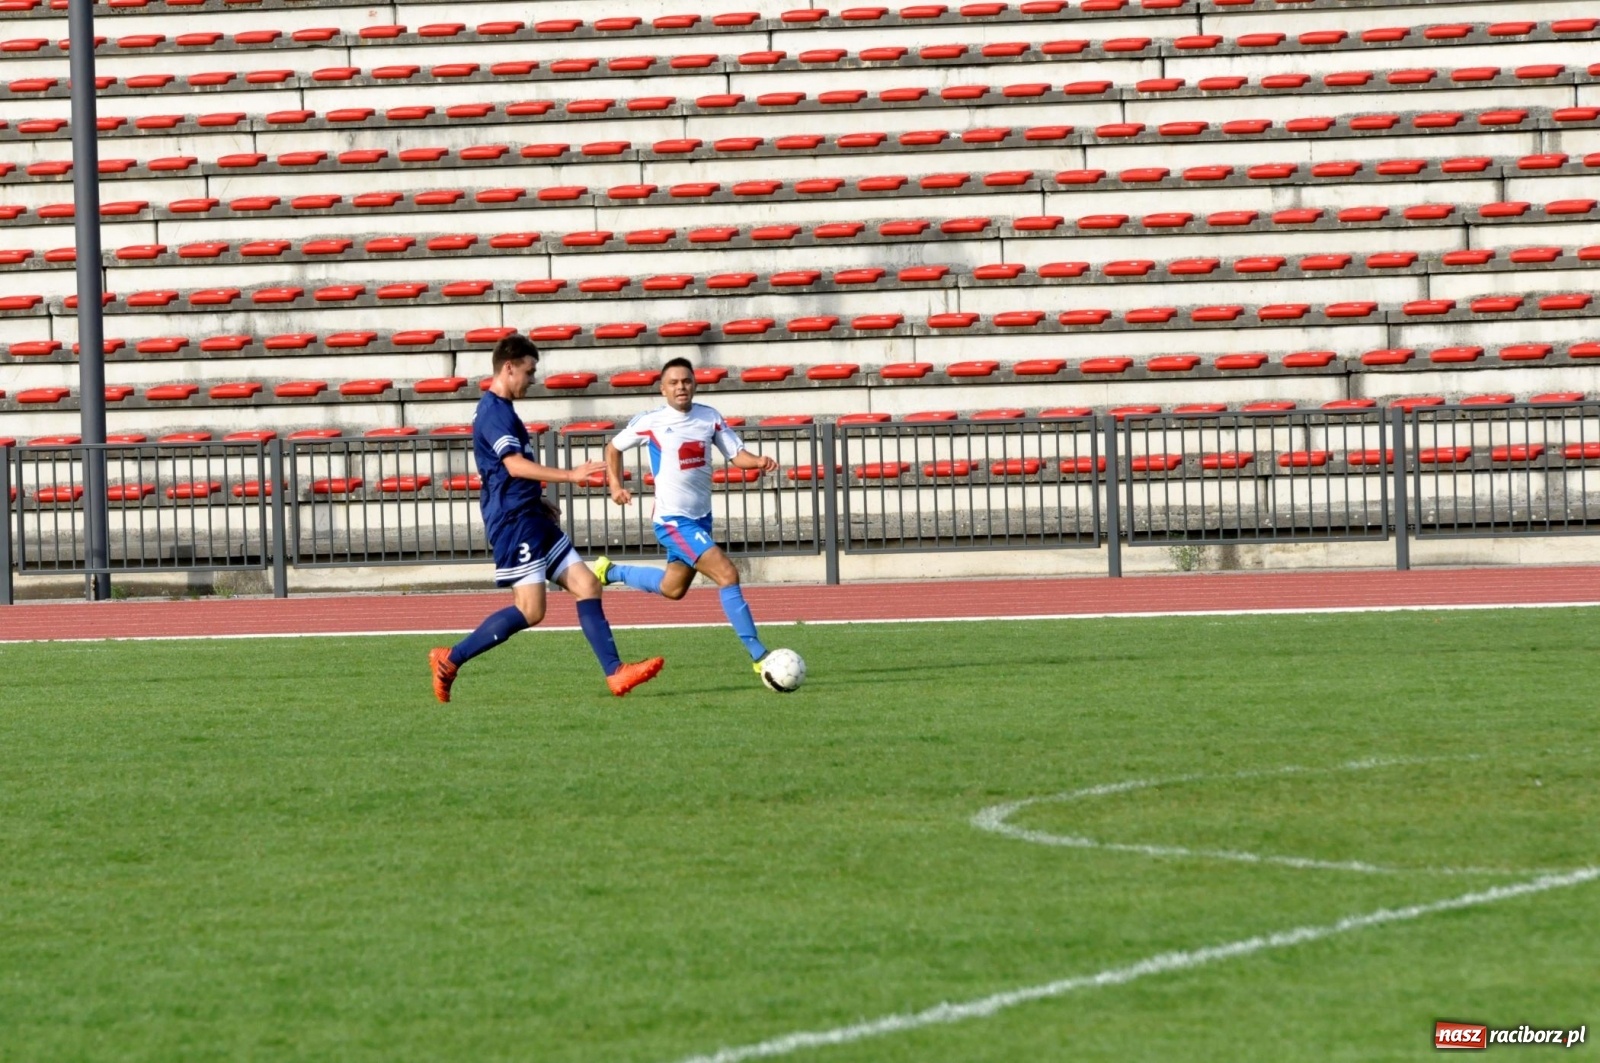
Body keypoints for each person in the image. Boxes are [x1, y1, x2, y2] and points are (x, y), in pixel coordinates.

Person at [429, 334, 664, 702]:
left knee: (587, 585)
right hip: (513, 521)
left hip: (531, 514)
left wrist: (540, 500)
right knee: (531, 610)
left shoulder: (504, 411)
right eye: (529, 371)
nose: (532, 380)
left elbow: (508, 471)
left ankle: (615, 673)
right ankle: (450, 659)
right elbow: (513, 465)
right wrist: (570, 475)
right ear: (509, 367)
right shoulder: (493, 412)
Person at [592, 357, 777, 678]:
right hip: (672, 521)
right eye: (674, 382)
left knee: (672, 588)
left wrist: (758, 460)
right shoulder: (651, 421)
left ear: (695, 384)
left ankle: (611, 571)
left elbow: (736, 455)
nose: (681, 387)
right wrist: (615, 485)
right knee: (728, 575)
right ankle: (760, 656)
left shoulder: (709, 417)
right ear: (663, 389)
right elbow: (613, 447)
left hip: (700, 518)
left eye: (686, 381)